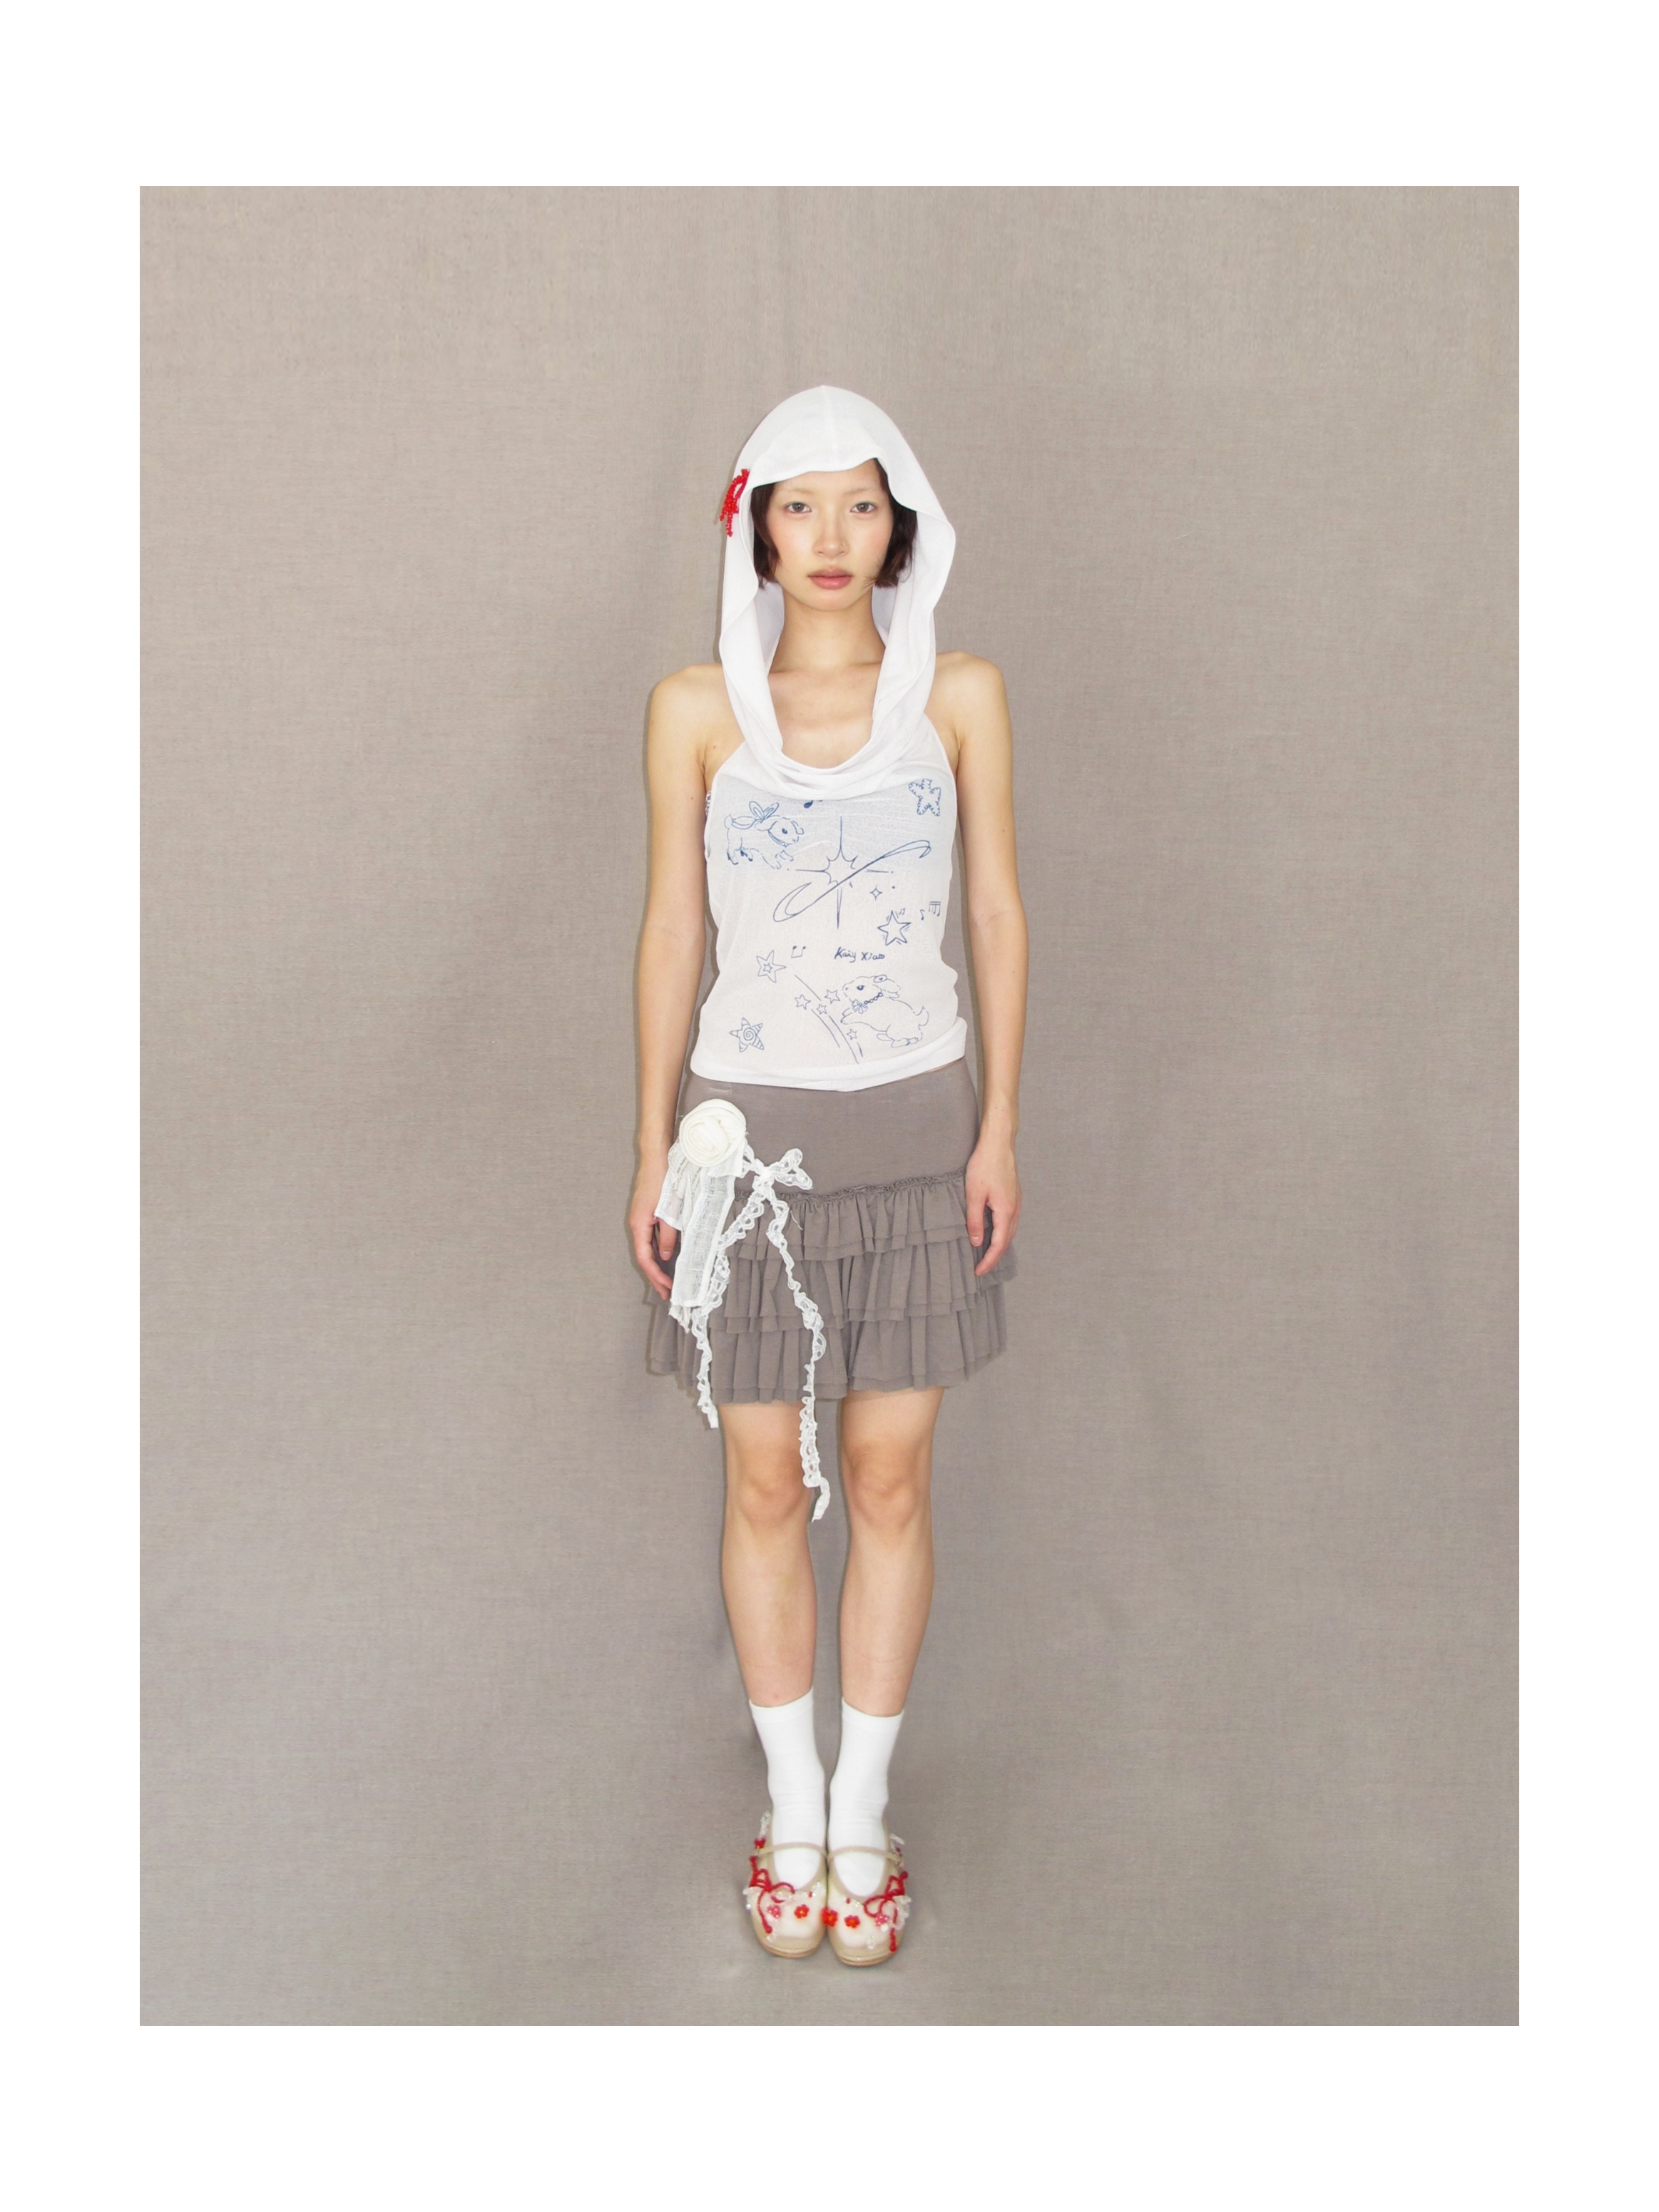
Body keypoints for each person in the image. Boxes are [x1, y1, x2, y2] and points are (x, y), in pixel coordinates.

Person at [629, 386, 1027, 1965]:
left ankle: (863, 1810)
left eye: (859, 504)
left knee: (887, 1478)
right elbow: (673, 927)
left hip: (916, 1137)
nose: (829, 537)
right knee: (760, 1481)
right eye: (797, 506)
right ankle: (787, 1805)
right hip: (746, 1155)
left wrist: (998, 1128)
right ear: (753, 530)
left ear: (900, 526)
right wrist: (648, 1143)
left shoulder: (961, 695)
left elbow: (992, 912)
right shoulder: (692, 709)